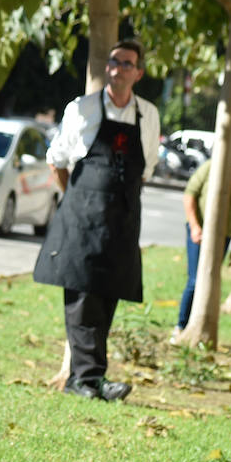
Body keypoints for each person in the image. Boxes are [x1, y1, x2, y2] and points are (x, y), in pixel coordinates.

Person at [34, 39, 160, 402]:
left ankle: (90, 379)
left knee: (108, 298)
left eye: (126, 64)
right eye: (114, 62)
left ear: (138, 73)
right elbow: (56, 161)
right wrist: (77, 199)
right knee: (82, 298)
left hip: (121, 223)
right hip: (81, 220)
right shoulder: (82, 109)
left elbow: (146, 168)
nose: (118, 69)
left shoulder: (148, 115)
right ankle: (86, 380)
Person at [175, 131, 231, 332]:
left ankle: (197, 324)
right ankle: (181, 326)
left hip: (224, 237)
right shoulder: (212, 168)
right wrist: (194, 226)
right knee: (195, 280)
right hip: (200, 232)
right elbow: (190, 195)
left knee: (210, 281)